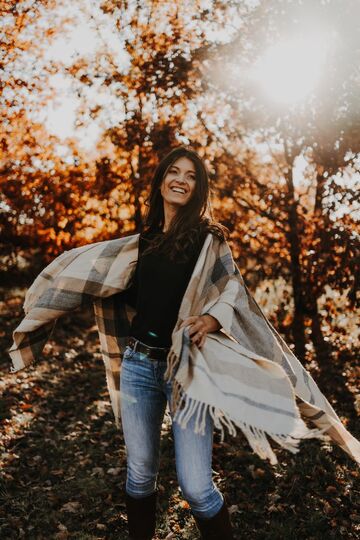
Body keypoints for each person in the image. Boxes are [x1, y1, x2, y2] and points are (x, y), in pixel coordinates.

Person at [119, 146, 234, 539]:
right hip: (137, 364)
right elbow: (129, 294)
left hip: (187, 367)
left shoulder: (208, 238)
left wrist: (212, 318)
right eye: (174, 171)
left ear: (198, 188)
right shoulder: (145, 238)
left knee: (197, 488)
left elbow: (231, 290)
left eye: (190, 175)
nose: (180, 179)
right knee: (139, 474)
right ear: (162, 179)